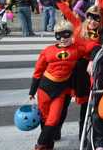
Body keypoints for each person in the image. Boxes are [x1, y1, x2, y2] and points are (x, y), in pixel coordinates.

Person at [42, 0, 103, 140]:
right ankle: (55, 130)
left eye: (97, 18)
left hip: (85, 71)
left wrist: (91, 60)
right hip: (69, 68)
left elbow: (97, 49)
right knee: (63, 102)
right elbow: (65, 9)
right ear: (86, 16)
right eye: (90, 16)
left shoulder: (101, 36)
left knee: (85, 104)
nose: (92, 21)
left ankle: (83, 134)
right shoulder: (77, 25)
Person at [29, 19, 86, 150]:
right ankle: (48, 145)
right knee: (44, 118)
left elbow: (89, 50)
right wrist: (32, 91)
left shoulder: (77, 50)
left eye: (66, 35)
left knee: (53, 119)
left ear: (71, 34)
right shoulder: (47, 51)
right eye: (58, 35)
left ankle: (39, 145)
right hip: (44, 88)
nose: (62, 38)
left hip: (60, 91)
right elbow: (38, 71)